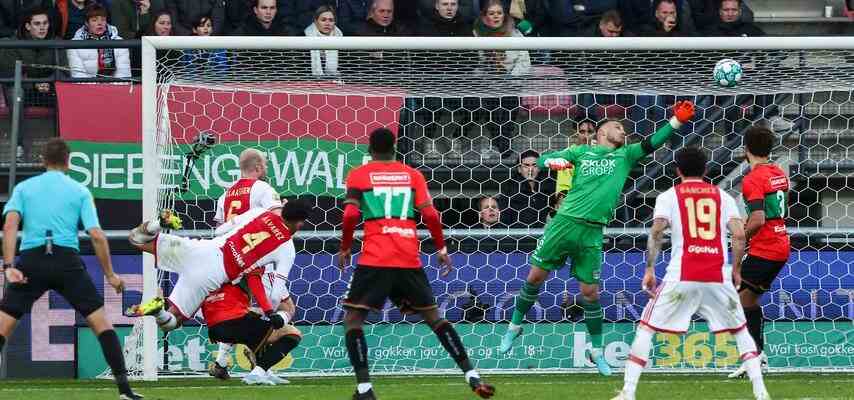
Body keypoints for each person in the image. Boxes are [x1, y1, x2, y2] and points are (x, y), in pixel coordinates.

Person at [499, 101, 696, 376]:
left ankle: (596, 351)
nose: (623, 131)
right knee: (534, 277)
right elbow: (543, 160)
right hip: (564, 224)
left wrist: (676, 121)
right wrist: (548, 161)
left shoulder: (626, 155)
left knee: (591, 294)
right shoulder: (581, 152)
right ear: (602, 133)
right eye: (618, 127)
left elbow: (652, 142)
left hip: (592, 231)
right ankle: (514, 327)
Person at [337, 128, 495, 400]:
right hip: (408, 254)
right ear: (395, 147)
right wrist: (442, 247)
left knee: (353, 319)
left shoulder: (359, 174)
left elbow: (351, 214)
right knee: (434, 318)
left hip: (376, 255)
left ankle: (364, 388)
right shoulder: (413, 175)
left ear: (370, 150)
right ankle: (472, 374)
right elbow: (431, 215)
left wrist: (345, 247)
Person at [611, 147, 770, 400]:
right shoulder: (723, 196)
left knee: (646, 328)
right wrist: (737, 268)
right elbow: (739, 236)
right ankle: (761, 392)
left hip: (680, 276)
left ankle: (628, 393)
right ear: (706, 170)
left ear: (677, 171)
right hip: (717, 276)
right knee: (740, 330)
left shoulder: (668, 196)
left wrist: (650, 268)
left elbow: (656, 232)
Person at [0, 138, 142, 400]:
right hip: (67, 263)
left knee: (3, 327)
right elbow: (97, 235)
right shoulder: (79, 191)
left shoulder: (25, 188)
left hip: (31, 261)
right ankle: (125, 391)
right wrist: (110, 274)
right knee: (101, 324)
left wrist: (9, 266)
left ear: (42, 161)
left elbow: (10, 226)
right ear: (68, 161)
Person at [126, 201, 310, 338]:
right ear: (300, 223)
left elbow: (221, 230)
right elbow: (276, 294)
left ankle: (158, 223)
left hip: (200, 250)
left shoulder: (260, 212)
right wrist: (269, 312)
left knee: (135, 239)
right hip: (210, 275)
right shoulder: (287, 248)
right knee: (172, 323)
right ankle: (158, 310)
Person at [207, 148, 288, 382]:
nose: (267, 169)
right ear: (259, 167)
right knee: (279, 308)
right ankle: (262, 366)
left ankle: (222, 363)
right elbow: (278, 218)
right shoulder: (263, 189)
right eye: (265, 165)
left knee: (238, 312)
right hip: (258, 256)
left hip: (231, 261)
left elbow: (220, 230)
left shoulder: (225, 195)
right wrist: (285, 207)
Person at [727, 126, 789, 379]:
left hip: (766, 248)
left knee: (736, 300)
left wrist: (741, 233)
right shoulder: (778, 172)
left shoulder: (753, 178)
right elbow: (775, 211)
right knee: (747, 300)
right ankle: (757, 355)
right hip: (781, 243)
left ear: (746, 150)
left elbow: (759, 219)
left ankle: (753, 356)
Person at [200, 278, 301, 386]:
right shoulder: (253, 269)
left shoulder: (210, 277)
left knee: (258, 327)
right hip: (238, 323)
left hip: (215, 330)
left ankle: (223, 364)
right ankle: (258, 373)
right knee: (292, 333)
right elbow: (259, 290)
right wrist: (269, 312)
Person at [0, 7, 65, 162]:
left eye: (45, 23)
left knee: (66, 96)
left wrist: (49, 82)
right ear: (28, 26)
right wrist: (35, 85)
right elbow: (9, 74)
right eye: (37, 24)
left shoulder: (56, 42)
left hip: (49, 89)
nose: (42, 27)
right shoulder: (13, 44)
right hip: (25, 89)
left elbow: (64, 70)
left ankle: (61, 149)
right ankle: (19, 148)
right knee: (15, 92)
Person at [68, 4, 131, 79]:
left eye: (103, 20)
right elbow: (78, 75)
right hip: (87, 89)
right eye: (94, 20)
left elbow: (124, 74)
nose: (99, 23)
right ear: (86, 23)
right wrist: (96, 89)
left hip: (114, 88)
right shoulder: (74, 44)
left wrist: (111, 88)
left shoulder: (120, 42)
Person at [501, 150, 554, 228]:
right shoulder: (510, 191)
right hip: (518, 236)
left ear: (539, 168)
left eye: (534, 165)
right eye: (526, 165)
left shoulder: (547, 190)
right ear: (519, 169)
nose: (530, 169)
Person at [555, 119, 595, 195]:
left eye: (590, 132)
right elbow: (563, 188)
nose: (586, 136)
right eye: (582, 132)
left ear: (595, 132)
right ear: (575, 132)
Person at [304, 5, 342, 77]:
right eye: (323, 20)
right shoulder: (304, 37)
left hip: (335, 83)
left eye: (331, 20)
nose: (327, 24)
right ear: (316, 21)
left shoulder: (341, 38)